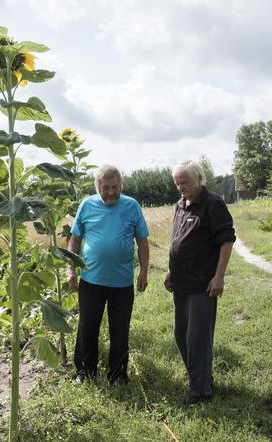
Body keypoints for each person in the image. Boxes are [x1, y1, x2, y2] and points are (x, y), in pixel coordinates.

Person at [68, 165, 150, 385]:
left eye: (115, 187)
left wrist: (143, 270)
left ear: (121, 185)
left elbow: (142, 241)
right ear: (98, 187)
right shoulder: (87, 205)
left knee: (120, 329)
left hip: (122, 282)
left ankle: (118, 374)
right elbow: (75, 239)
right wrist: (71, 269)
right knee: (87, 327)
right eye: (106, 188)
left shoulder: (132, 206)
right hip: (91, 279)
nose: (111, 192)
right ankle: (85, 372)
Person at [164, 160, 235, 404]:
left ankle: (201, 391)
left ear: (199, 180)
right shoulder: (180, 205)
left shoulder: (212, 204)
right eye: (177, 183)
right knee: (181, 335)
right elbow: (177, 241)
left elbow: (226, 240)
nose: (181, 187)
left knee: (198, 338)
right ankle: (201, 377)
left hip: (202, 285)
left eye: (185, 182)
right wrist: (170, 272)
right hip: (180, 283)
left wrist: (219, 276)